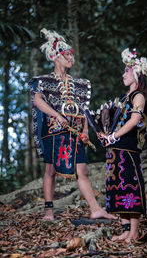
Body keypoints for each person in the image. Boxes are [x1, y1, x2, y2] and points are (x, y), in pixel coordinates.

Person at [29, 28, 116, 221]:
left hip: (75, 130)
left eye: (70, 55)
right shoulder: (43, 81)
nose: (70, 58)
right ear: (55, 58)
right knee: (51, 170)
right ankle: (49, 212)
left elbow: (83, 109)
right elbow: (38, 101)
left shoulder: (79, 83)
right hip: (53, 130)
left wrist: (85, 130)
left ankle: (95, 209)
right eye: (66, 55)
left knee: (82, 170)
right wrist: (57, 115)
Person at [97, 48, 147, 243]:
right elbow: (112, 123)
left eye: (126, 70)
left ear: (137, 73)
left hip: (128, 150)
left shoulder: (139, 96)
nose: (123, 74)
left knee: (130, 187)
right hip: (114, 152)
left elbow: (134, 120)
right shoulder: (121, 99)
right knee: (117, 189)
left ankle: (134, 232)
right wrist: (105, 135)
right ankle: (126, 230)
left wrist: (113, 137)